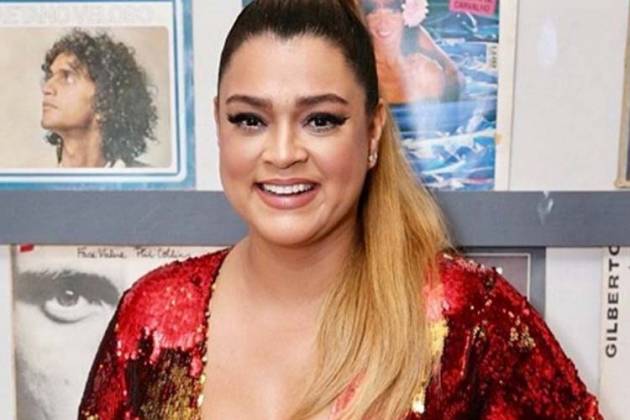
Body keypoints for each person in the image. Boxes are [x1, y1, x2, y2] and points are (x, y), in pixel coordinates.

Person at [79, 1, 601, 419]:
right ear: (219, 124)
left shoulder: (470, 320)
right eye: (250, 120)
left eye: (321, 120)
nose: (282, 153)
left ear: (372, 131)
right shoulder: (152, 316)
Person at [41, 29, 157, 168]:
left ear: (106, 101)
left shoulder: (149, 179)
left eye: (68, 77)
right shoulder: (35, 181)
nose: (47, 88)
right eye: (50, 76)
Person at [361, 0, 464, 103]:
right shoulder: (360, 70)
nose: (383, 23)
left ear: (406, 16)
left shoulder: (415, 36)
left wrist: (435, 82)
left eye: (392, 12)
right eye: (373, 13)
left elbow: (452, 73)